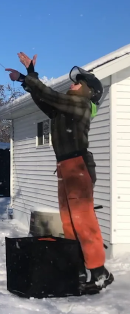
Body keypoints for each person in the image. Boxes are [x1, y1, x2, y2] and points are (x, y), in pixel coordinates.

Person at [6, 52, 114, 290]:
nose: (74, 83)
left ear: (89, 91)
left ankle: (99, 272)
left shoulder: (81, 104)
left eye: (79, 82)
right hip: (65, 167)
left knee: (83, 220)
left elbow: (48, 94)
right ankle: (75, 268)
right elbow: (43, 100)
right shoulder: (65, 108)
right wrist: (25, 79)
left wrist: (30, 74)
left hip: (78, 167)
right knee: (69, 222)